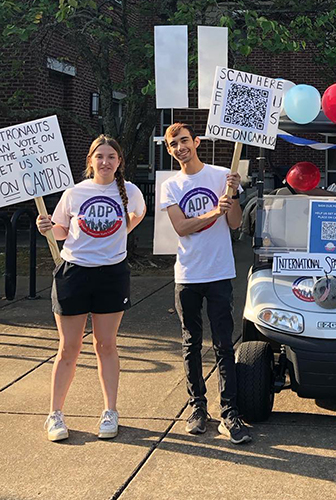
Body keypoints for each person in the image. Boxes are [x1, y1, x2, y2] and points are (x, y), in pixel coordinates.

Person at [37, 135, 146, 441]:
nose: (105, 162)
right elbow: (60, 230)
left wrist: (121, 233)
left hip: (112, 275)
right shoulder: (74, 193)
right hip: (75, 274)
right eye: (100, 156)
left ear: (119, 162)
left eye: (112, 157)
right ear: (90, 161)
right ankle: (55, 414)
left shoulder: (131, 192)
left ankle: (110, 411)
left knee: (105, 345)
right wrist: (46, 227)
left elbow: (139, 213)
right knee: (68, 348)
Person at [159, 123, 250, 444]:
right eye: (174, 144)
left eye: (185, 140)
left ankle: (229, 412)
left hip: (219, 273)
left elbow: (235, 222)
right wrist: (214, 211)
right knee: (191, 344)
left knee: (224, 346)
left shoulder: (222, 176)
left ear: (196, 142)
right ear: (169, 150)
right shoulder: (170, 186)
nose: (180, 147)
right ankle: (197, 408)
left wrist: (234, 196)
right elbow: (182, 227)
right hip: (188, 275)